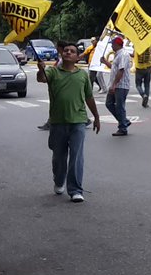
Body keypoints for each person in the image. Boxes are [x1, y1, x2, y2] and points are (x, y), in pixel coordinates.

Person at [36, 41, 100, 202]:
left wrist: (97, 117)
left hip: (78, 120)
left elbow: (89, 97)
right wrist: (40, 69)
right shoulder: (53, 72)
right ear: (62, 54)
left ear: (77, 57)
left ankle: (75, 189)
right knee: (59, 156)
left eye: (72, 51)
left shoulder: (82, 75)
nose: (68, 53)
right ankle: (58, 180)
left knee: (76, 156)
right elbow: (42, 79)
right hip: (58, 121)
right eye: (66, 50)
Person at [103, 37, 132, 136]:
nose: (111, 46)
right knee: (109, 103)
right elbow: (114, 68)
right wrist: (105, 62)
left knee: (120, 106)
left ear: (117, 44)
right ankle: (124, 121)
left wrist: (114, 84)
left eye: (112, 44)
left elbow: (121, 70)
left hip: (121, 85)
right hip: (115, 85)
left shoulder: (123, 54)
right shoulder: (118, 55)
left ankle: (123, 128)